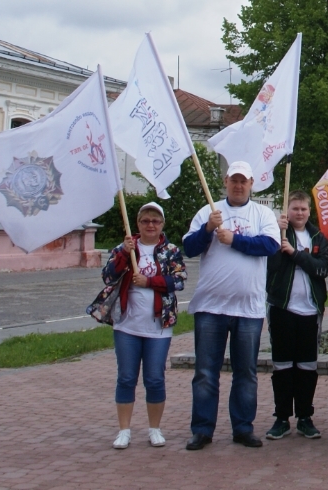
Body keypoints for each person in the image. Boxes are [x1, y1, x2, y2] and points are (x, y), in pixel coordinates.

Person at [182, 161, 281, 450]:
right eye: (234, 180)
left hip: (248, 308)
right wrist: (208, 229)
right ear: (225, 181)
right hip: (211, 307)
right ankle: (202, 429)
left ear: (252, 184)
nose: (238, 185)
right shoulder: (209, 211)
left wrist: (234, 240)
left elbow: (270, 246)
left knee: (246, 372)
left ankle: (242, 427)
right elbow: (189, 248)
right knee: (205, 371)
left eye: (244, 181)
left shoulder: (262, 213)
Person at [98, 201, 186, 449]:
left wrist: (150, 282)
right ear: (137, 224)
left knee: (155, 378)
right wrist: (125, 255)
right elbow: (108, 276)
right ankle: (124, 430)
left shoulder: (170, 250)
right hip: (127, 325)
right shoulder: (126, 247)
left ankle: (154, 428)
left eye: (155, 221)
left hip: (159, 326)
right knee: (126, 377)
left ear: (162, 225)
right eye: (146, 221)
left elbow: (179, 280)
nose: (150, 225)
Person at [264, 192, 328, 440]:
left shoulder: (317, 237)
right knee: (282, 365)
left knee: (307, 365)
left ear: (309, 211)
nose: (299, 213)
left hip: (310, 310)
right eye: (295, 209)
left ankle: (305, 416)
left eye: (303, 209)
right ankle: (282, 417)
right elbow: (269, 267)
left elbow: (323, 269)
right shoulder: (278, 233)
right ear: (287, 211)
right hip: (282, 307)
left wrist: (295, 253)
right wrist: (276, 237)